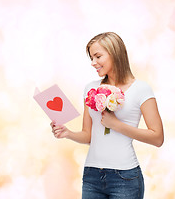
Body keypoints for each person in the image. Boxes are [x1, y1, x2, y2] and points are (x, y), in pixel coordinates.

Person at [50, 32, 164, 199]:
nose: (93, 63)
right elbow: (89, 135)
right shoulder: (90, 89)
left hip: (125, 178)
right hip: (92, 176)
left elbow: (157, 138)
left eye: (97, 56)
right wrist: (68, 133)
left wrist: (117, 125)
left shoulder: (141, 90)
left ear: (115, 53)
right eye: (91, 57)